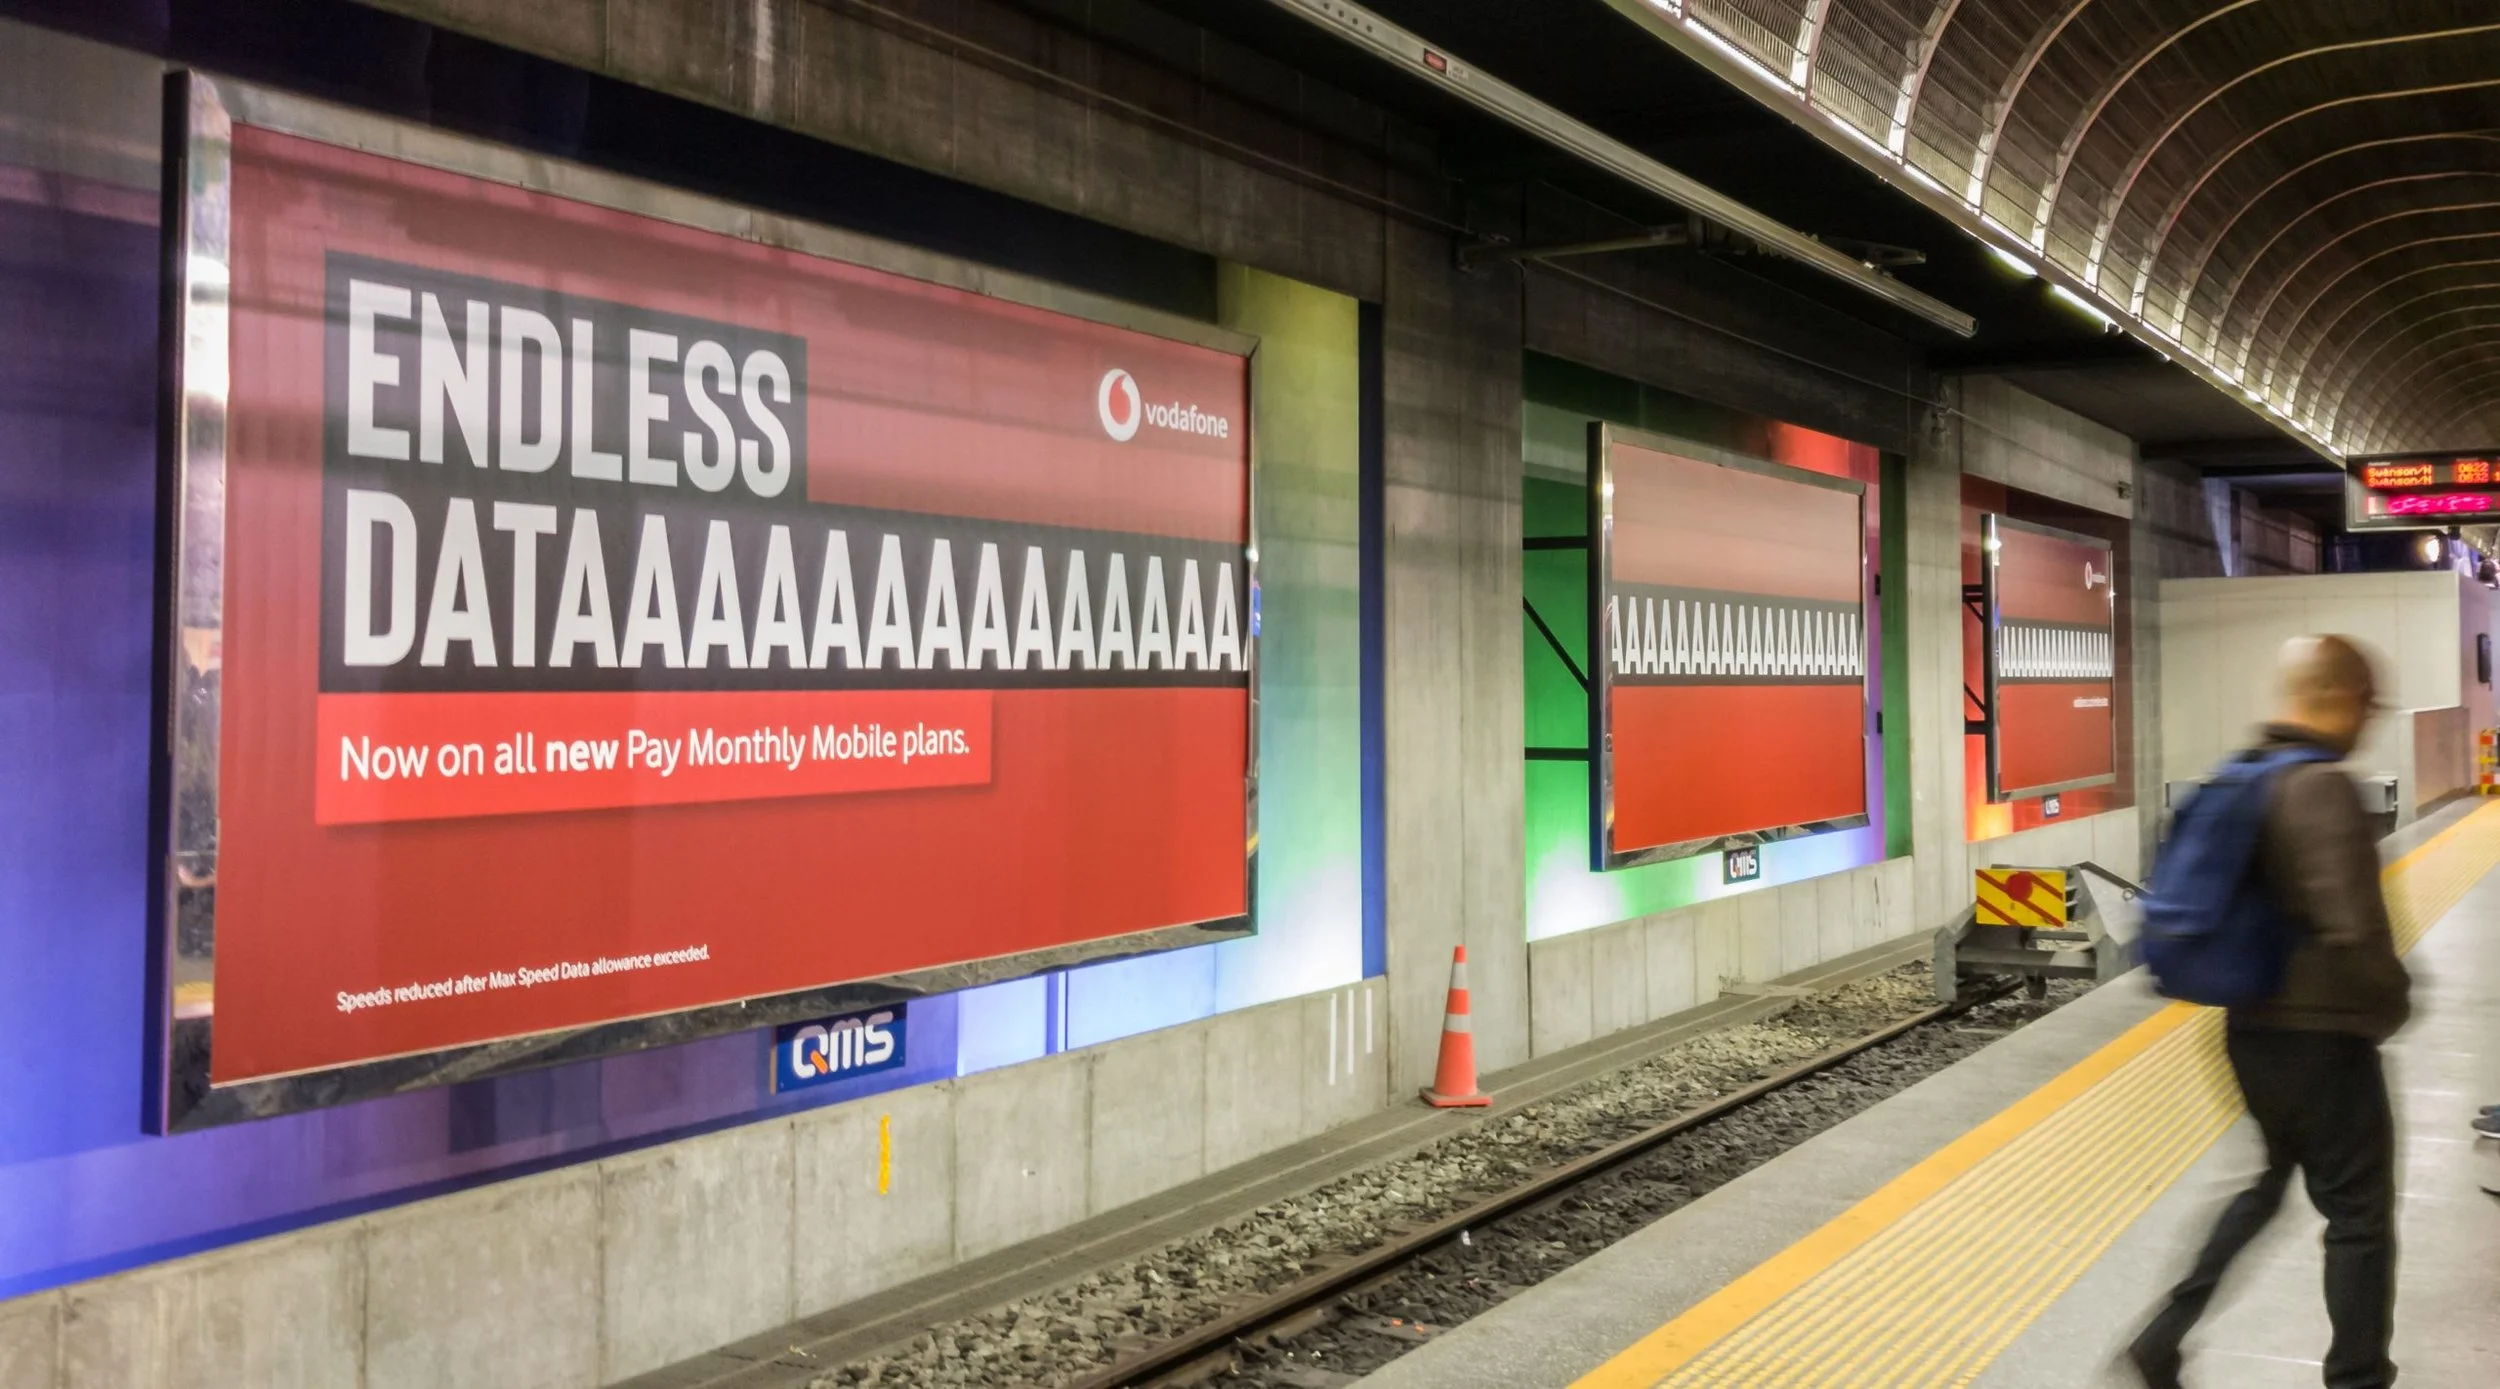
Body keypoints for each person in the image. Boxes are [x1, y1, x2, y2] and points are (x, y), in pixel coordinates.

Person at [2129, 635, 2412, 1389]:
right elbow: (2353, 926)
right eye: (2368, 704)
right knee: (2360, 1215)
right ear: (2343, 697)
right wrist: (2393, 1004)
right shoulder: (2319, 786)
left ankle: (2164, 1333)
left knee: (2269, 1180)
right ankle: (2358, 1376)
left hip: (2249, 1031)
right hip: (2323, 1039)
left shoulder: (2247, 772)